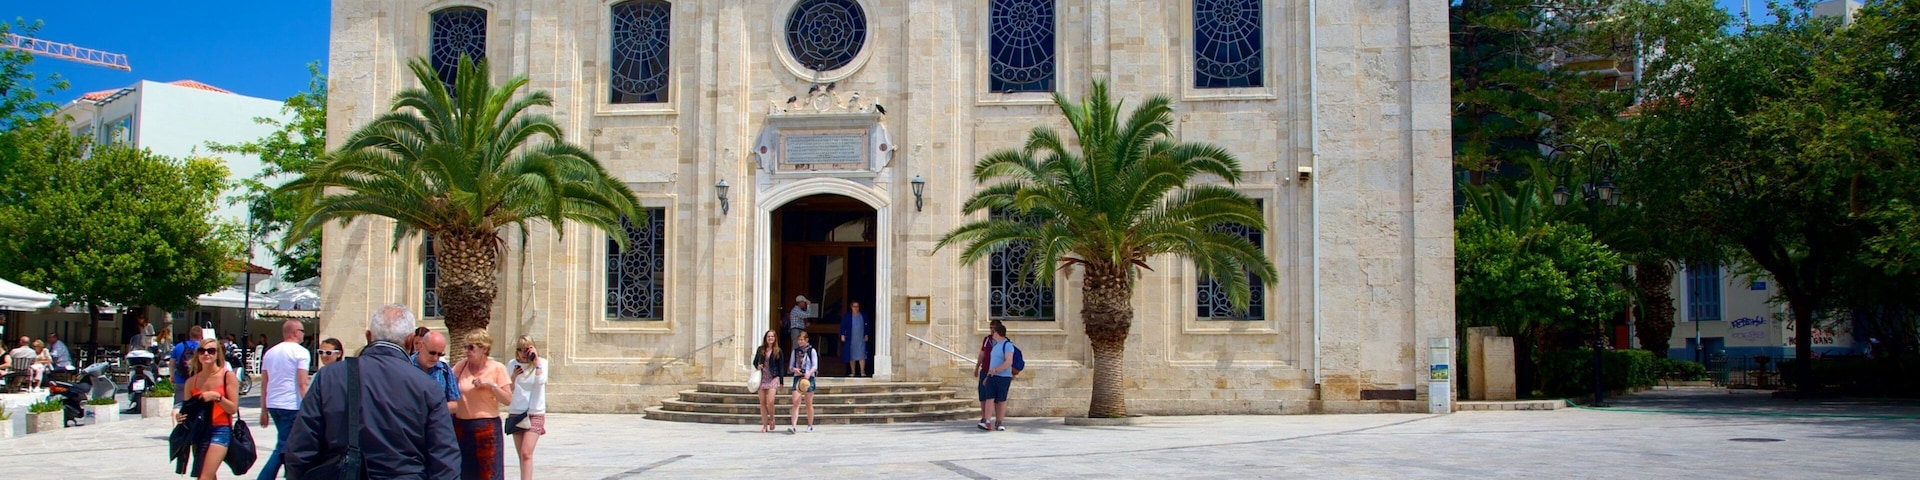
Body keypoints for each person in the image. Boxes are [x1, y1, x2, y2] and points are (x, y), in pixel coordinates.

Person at [284, 303, 459, 479]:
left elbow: (300, 449)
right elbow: (444, 457)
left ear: (369, 336)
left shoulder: (329, 377)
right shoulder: (427, 387)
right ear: (410, 341)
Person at [173, 338, 241, 480]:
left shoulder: (227, 377)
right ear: (197, 354)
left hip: (221, 429)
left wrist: (217, 397)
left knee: (204, 477)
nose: (206, 354)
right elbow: (188, 410)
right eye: (202, 351)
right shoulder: (191, 382)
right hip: (199, 431)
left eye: (211, 351)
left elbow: (232, 408)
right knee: (208, 475)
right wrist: (180, 416)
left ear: (217, 354)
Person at [256, 321, 312, 480]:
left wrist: (264, 410)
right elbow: (302, 383)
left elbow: (264, 383)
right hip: (291, 405)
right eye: (302, 331)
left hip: (274, 403)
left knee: (288, 445)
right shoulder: (301, 353)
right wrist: (310, 407)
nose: (303, 334)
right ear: (295, 332)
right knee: (284, 446)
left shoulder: (270, 352)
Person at [453, 330, 511, 480]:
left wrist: (491, 385)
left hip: (487, 428)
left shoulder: (497, 368)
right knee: (465, 473)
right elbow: (448, 386)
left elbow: (507, 399)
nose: (467, 351)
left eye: (471, 347)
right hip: (462, 426)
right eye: (465, 347)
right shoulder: (462, 366)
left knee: (489, 474)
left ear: (484, 348)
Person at [505, 336, 547, 480]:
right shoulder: (512, 364)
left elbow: (541, 381)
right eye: (520, 350)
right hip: (516, 413)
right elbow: (508, 388)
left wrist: (536, 363)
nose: (523, 353)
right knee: (521, 456)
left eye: (526, 349)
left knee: (526, 453)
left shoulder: (541, 363)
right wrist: (513, 377)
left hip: (535, 412)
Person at [415, 331, 463, 412]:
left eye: (440, 354)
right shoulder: (406, 366)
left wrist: (433, 409)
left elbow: (455, 404)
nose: (435, 358)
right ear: (420, 346)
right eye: (432, 353)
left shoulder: (444, 370)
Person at [982, 322, 1015, 432]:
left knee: (1001, 399)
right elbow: (992, 362)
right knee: (989, 398)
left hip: (1003, 377)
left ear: (998, 333)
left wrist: (996, 370)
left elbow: (1008, 361)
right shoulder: (996, 345)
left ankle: (999, 422)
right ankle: (987, 421)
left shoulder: (1007, 345)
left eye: (994, 331)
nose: (992, 333)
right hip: (992, 376)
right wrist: (987, 376)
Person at [751, 330, 784, 433]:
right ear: (766, 338)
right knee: (762, 403)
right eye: (768, 336)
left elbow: (781, 367)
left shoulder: (778, 351)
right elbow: (755, 362)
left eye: (772, 336)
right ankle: (765, 425)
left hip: (773, 377)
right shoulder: (761, 349)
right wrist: (758, 366)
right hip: (762, 378)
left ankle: (772, 418)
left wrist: (781, 382)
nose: (770, 338)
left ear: (775, 338)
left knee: (770, 401)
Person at [786, 331, 818, 434]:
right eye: (799, 340)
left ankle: (810, 425)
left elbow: (815, 365)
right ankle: (793, 425)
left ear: (806, 340)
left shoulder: (811, 351)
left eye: (802, 340)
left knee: (808, 403)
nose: (800, 342)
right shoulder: (795, 352)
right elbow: (790, 366)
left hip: (809, 378)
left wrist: (809, 373)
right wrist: (794, 370)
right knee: (795, 402)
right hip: (798, 377)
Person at [973, 321, 1000, 430]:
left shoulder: (1003, 341)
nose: (992, 330)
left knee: (998, 396)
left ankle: (998, 420)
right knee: (983, 393)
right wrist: (977, 366)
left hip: (997, 372)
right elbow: (982, 353)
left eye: (994, 328)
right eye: (990, 328)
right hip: (985, 369)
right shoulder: (987, 340)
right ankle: (984, 417)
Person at [171, 327, 204, 406]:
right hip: (197, 381)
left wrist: (172, 376)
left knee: (178, 406)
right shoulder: (203, 348)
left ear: (189, 334)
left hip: (180, 379)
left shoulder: (179, 346)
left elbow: (172, 362)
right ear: (201, 335)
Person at [840, 301, 870, 377]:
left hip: (860, 338)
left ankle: (862, 371)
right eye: (854, 306)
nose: (856, 308)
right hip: (851, 339)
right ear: (851, 307)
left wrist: (866, 334)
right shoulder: (847, 316)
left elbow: (867, 325)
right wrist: (842, 335)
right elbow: (843, 326)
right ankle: (853, 372)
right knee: (852, 355)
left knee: (862, 355)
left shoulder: (863, 315)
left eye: (857, 306)